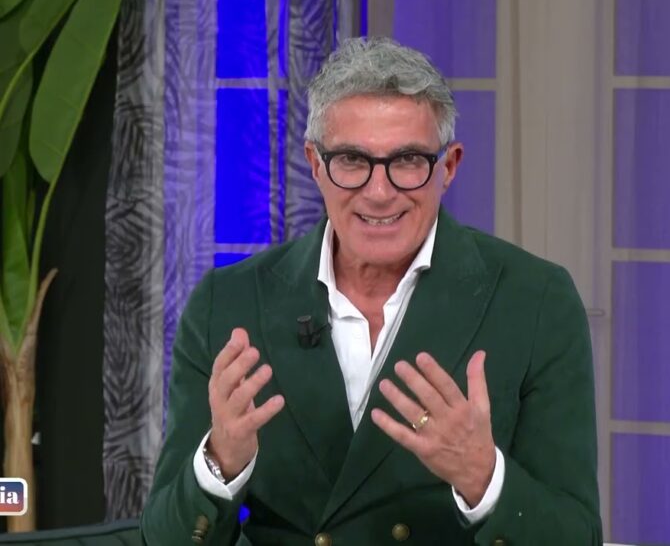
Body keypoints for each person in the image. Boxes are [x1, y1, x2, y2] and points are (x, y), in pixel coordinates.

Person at [141, 37, 602, 545]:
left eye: (407, 160)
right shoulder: (227, 304)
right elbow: (161, 539)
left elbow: (576, 536)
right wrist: (220, 462)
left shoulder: (535, 302)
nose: (379, 192)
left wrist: (482, 478)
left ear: (448, 167)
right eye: (352, 160)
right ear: (315, 164)